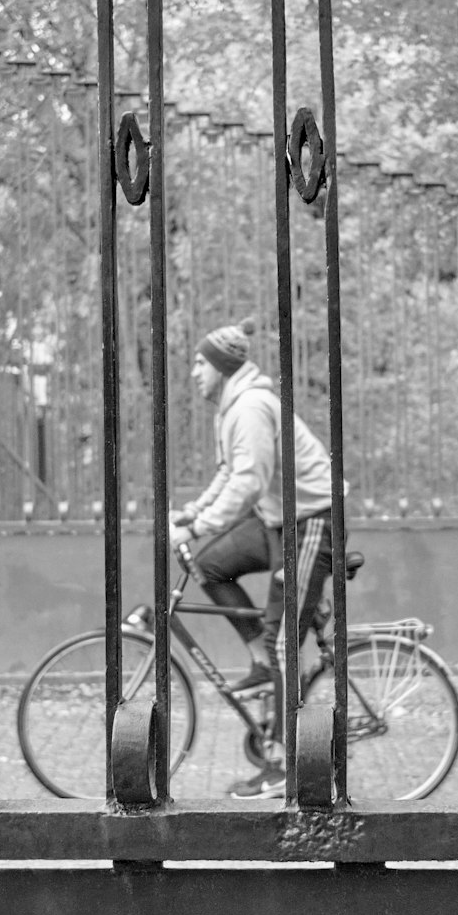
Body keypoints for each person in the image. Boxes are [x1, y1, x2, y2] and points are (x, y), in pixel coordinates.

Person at [168, 317, 335, 798]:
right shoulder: (233, 408)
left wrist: (199, 524)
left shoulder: (251, 407)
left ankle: (285, 767)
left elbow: (249, 483)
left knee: (285, 641)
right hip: (277, 521)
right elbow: (229, 473)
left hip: (311, 521)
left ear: (221, 366)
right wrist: (195, 512)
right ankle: (261, 659)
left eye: (200, 363)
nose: (194, 372)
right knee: (208, 564)